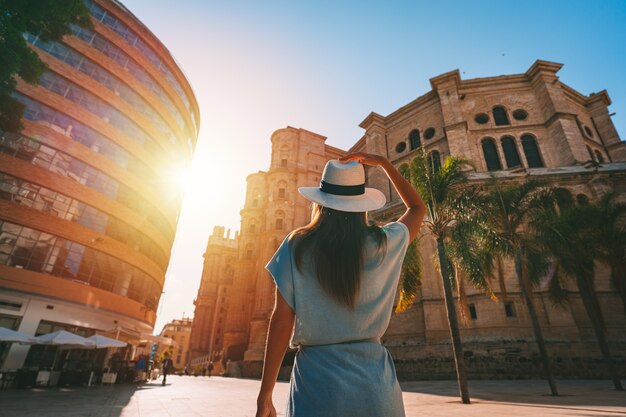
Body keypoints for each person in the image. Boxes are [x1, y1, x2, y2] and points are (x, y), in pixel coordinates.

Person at [255, 153, 425, 417]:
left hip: (316, 388)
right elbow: (416, 208)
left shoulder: (297, 245)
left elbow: (281, 320)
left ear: (320, 203)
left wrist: (265, 396)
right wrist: (383, 163)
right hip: (376, 389)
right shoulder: (384, 243)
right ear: (361, 204)